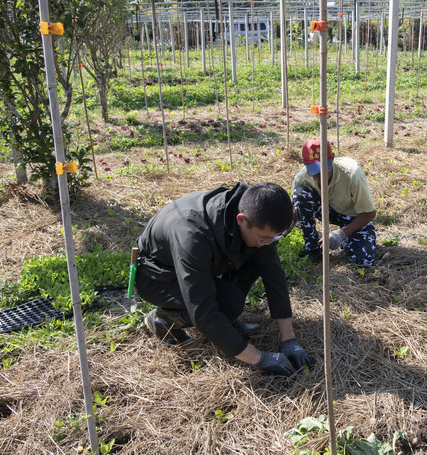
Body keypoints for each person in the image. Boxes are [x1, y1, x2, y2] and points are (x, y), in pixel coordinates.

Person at [133, 182, 314, 376]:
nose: (268, 243)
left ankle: (226, 321)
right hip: (157, 276)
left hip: (198, 264)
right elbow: (202, 310)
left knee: (257, 256)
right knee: (227, 304)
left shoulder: (255, 214)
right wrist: (259, 358)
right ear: (241, 219)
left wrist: (289, 339)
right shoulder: (192, 234)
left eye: (274, 238)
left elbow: (274, 276)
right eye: (264, 237)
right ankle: (163, 320)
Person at [292, 137, 377, 266]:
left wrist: (342, 233)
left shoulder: (352, 175)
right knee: (300, 193)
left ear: (332, 159)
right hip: (326, 210)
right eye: (314, 171)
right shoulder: (302, 178)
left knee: (363, 260)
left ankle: (347, 239)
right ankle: (313, 250)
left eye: (324, 169)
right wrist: (283, 228)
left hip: (353, 217)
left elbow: (369, 213)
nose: (320, 176)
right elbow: (298, 209)